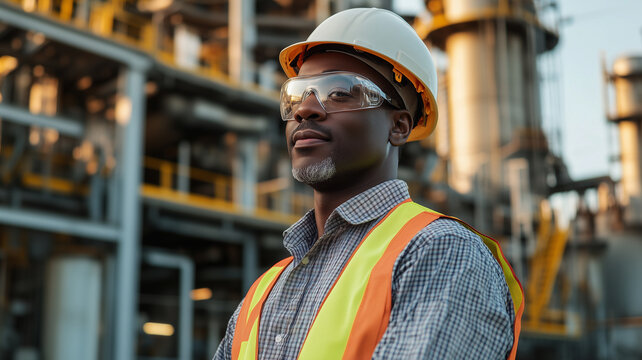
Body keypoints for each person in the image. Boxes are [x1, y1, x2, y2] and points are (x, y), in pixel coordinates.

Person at [214, 7, 523, 360]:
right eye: (298, 94)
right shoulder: (262, 294)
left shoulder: (441, 254)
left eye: (340, 92)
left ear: (399, 127)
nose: (305, 110)